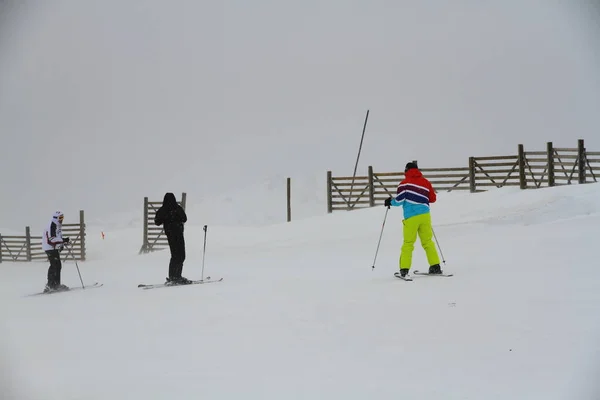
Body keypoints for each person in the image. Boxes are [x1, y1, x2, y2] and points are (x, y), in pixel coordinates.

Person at [384, 162, 442, 278]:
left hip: (411, 217)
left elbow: (399, 201)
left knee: (408, 243)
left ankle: (404, 270)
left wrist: (389, 201)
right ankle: (435, 266)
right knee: (427, 242)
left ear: (406, 171)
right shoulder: (426, 182)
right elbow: (433, 199)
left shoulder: (404, 184)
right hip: (425, 216)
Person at [154, 192, 190, 284]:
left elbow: (157, 222)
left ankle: (173, 276)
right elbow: (184, 218)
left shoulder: (163, 210)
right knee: (181, 255)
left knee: (174, 255)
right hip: (178, 234)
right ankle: (176, 276)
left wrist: (165, 217)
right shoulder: (177, 208)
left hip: (170, 235)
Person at [41, 211, 70, 292]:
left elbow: (58, 237)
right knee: (54, 265)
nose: (61, 220)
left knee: (58, 265)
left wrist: (62, 244)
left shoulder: (58, 225)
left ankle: (56, 285)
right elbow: (51, 239)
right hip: (49, 247)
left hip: (54, 248)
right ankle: (49, 286)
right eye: (60, 218)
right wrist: (63, 240)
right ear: (55, 218)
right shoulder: (51, 225)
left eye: (62, 218)